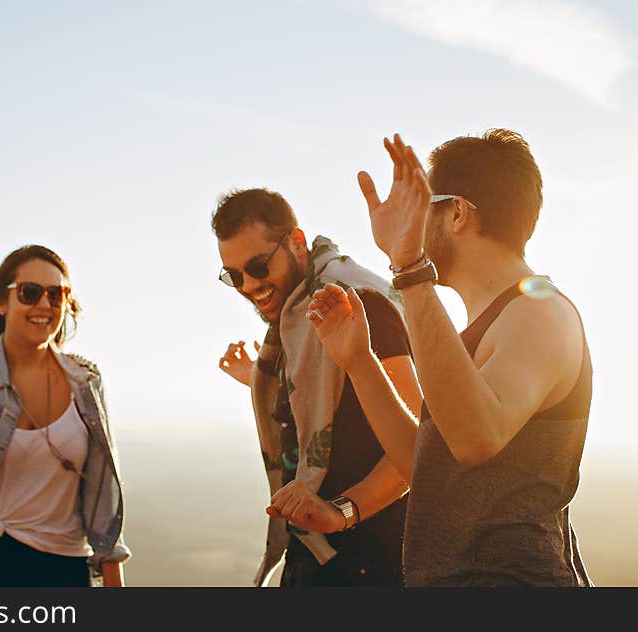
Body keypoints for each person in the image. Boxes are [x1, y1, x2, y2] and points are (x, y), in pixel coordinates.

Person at [281, 130, 592, 586]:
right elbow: (429, 467)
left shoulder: (539, 310)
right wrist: (360, 363)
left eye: (421, 209)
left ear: (458, 212)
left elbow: (475, 438)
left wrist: (409, 268)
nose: (413, 225)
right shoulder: (481, 326)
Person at [213, 189, 422, 587]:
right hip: (314, 554)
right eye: (234, 276)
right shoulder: (295, 321)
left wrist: (342, 512)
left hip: (374, 560)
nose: (248, 285)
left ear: (295, 242)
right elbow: (329, 405)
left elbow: (415, 447)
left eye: (257, 266)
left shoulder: (358, 304)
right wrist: (259, 378)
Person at [0, 245, 130, 587]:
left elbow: (103, 500)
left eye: (56, 294)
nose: (44, 305)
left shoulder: (86, 382)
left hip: (62, 570)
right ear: (1, 302)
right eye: (30, 293)